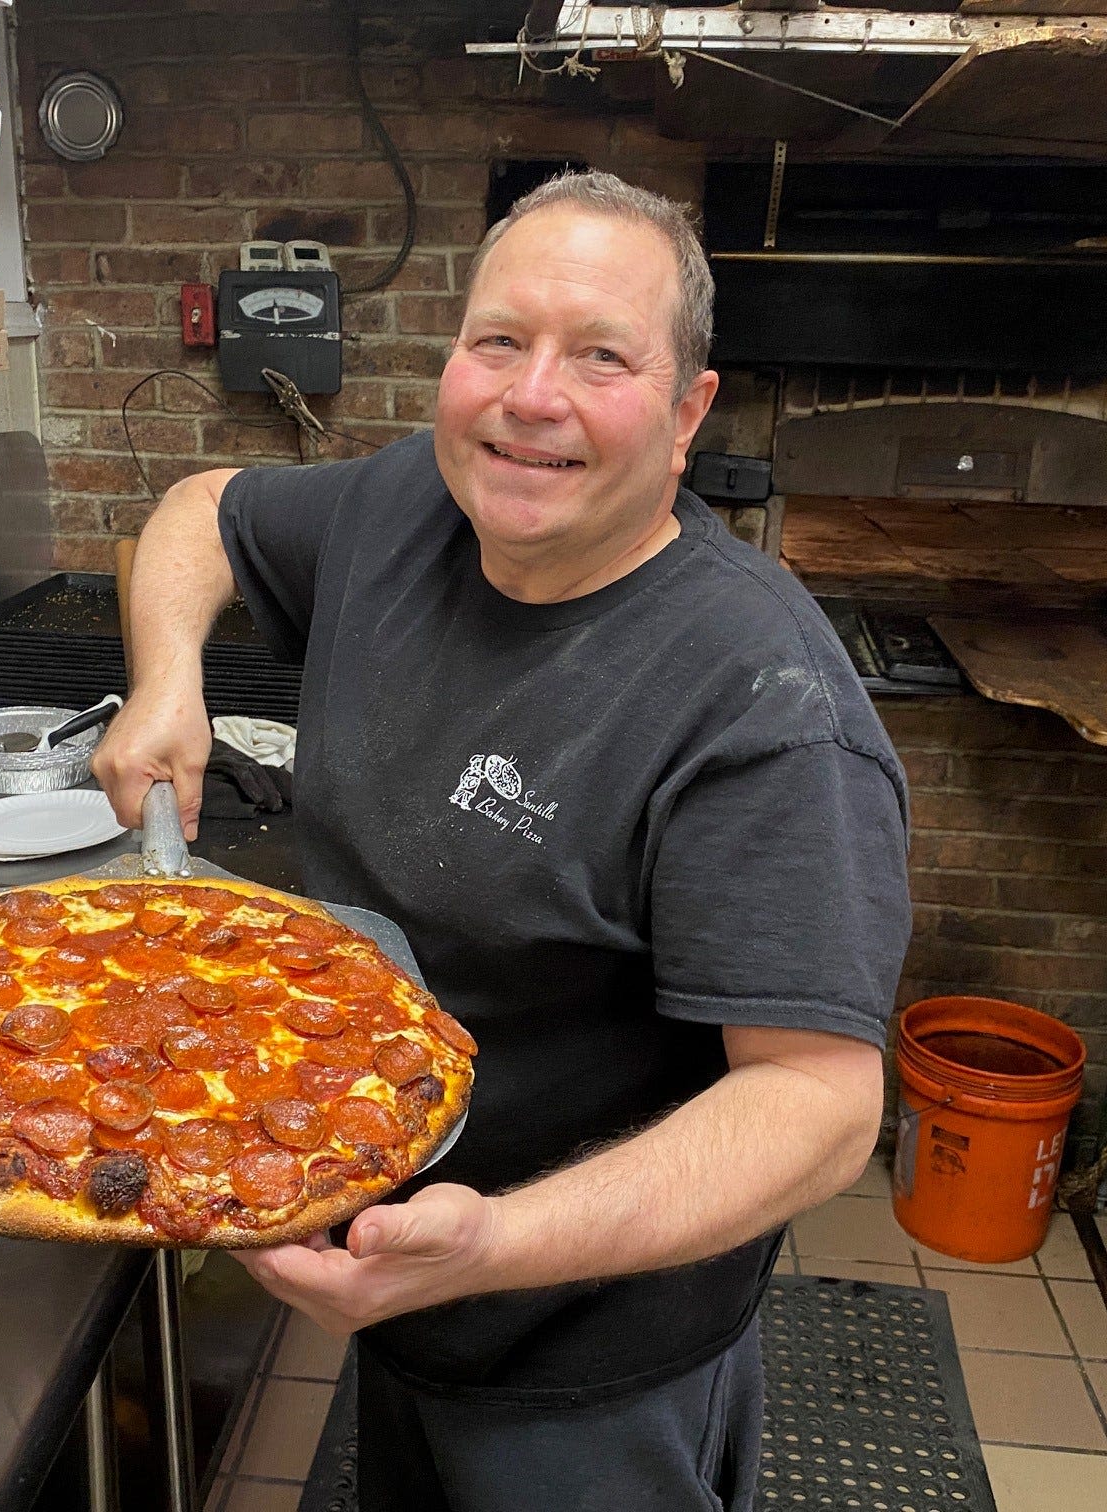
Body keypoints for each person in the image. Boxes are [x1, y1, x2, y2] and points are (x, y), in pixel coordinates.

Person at [93, 169, 913, 1512]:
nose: (534, 398)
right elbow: (201, 510)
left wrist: (491, 1245)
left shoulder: (759, 705)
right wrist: (167, 676)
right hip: (400, 1272)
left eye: (602, 357)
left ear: (689, 411)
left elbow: (820, 1112)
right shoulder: (408, 504)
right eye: (500, 342)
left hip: (586, 1351)